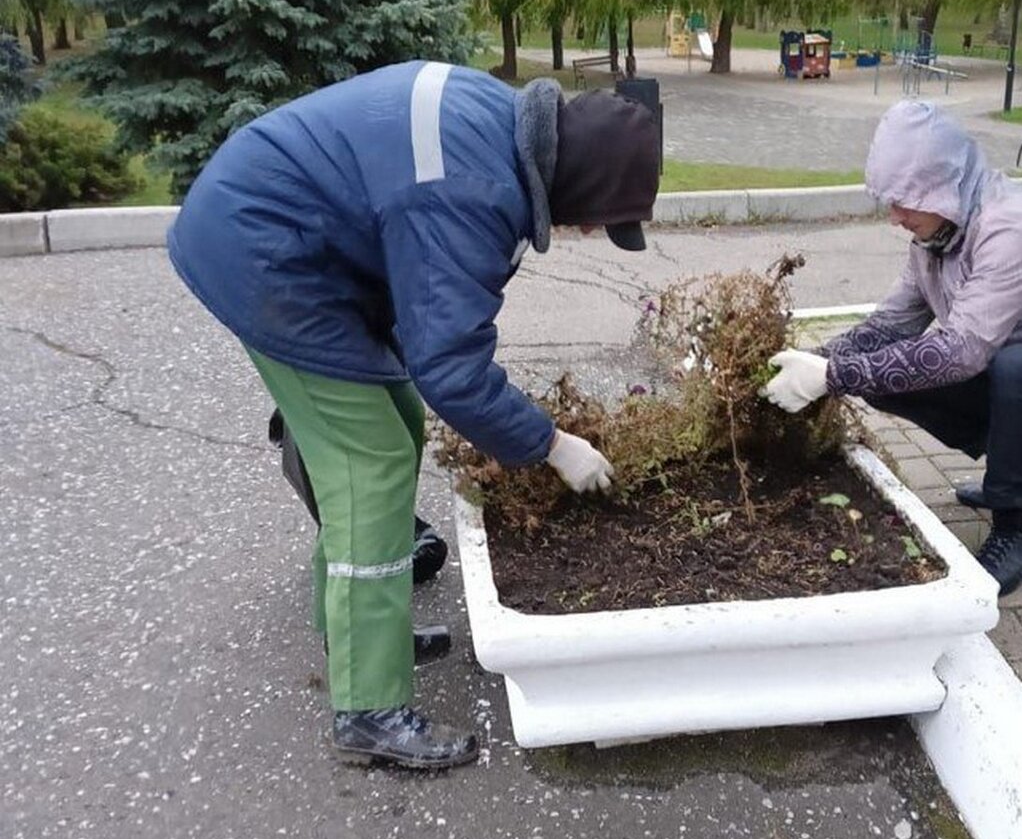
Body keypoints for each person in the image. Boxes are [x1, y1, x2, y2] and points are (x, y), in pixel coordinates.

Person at [168, 61, 661, 769]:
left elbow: (425, 311)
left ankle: (358, 633)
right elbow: (453, 370)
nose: (588, 234)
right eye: (597, 221)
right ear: (577, 183)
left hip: (287, 235)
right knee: (371, 465)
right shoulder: (474, 190)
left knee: (394, 420)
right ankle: (368, 711)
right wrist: (552, 443)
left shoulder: (499, 125)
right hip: (264, 256)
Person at [762, 100, 1022, 597]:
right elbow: (890, 328)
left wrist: (833, 377)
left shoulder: (1013, 225)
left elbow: (963, 351)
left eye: (905, 199)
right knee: (886, 376)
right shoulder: (934, 238)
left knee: (1016, 367)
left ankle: (1020, 527)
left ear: (940, 184)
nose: (895, 216)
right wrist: (815, 360)